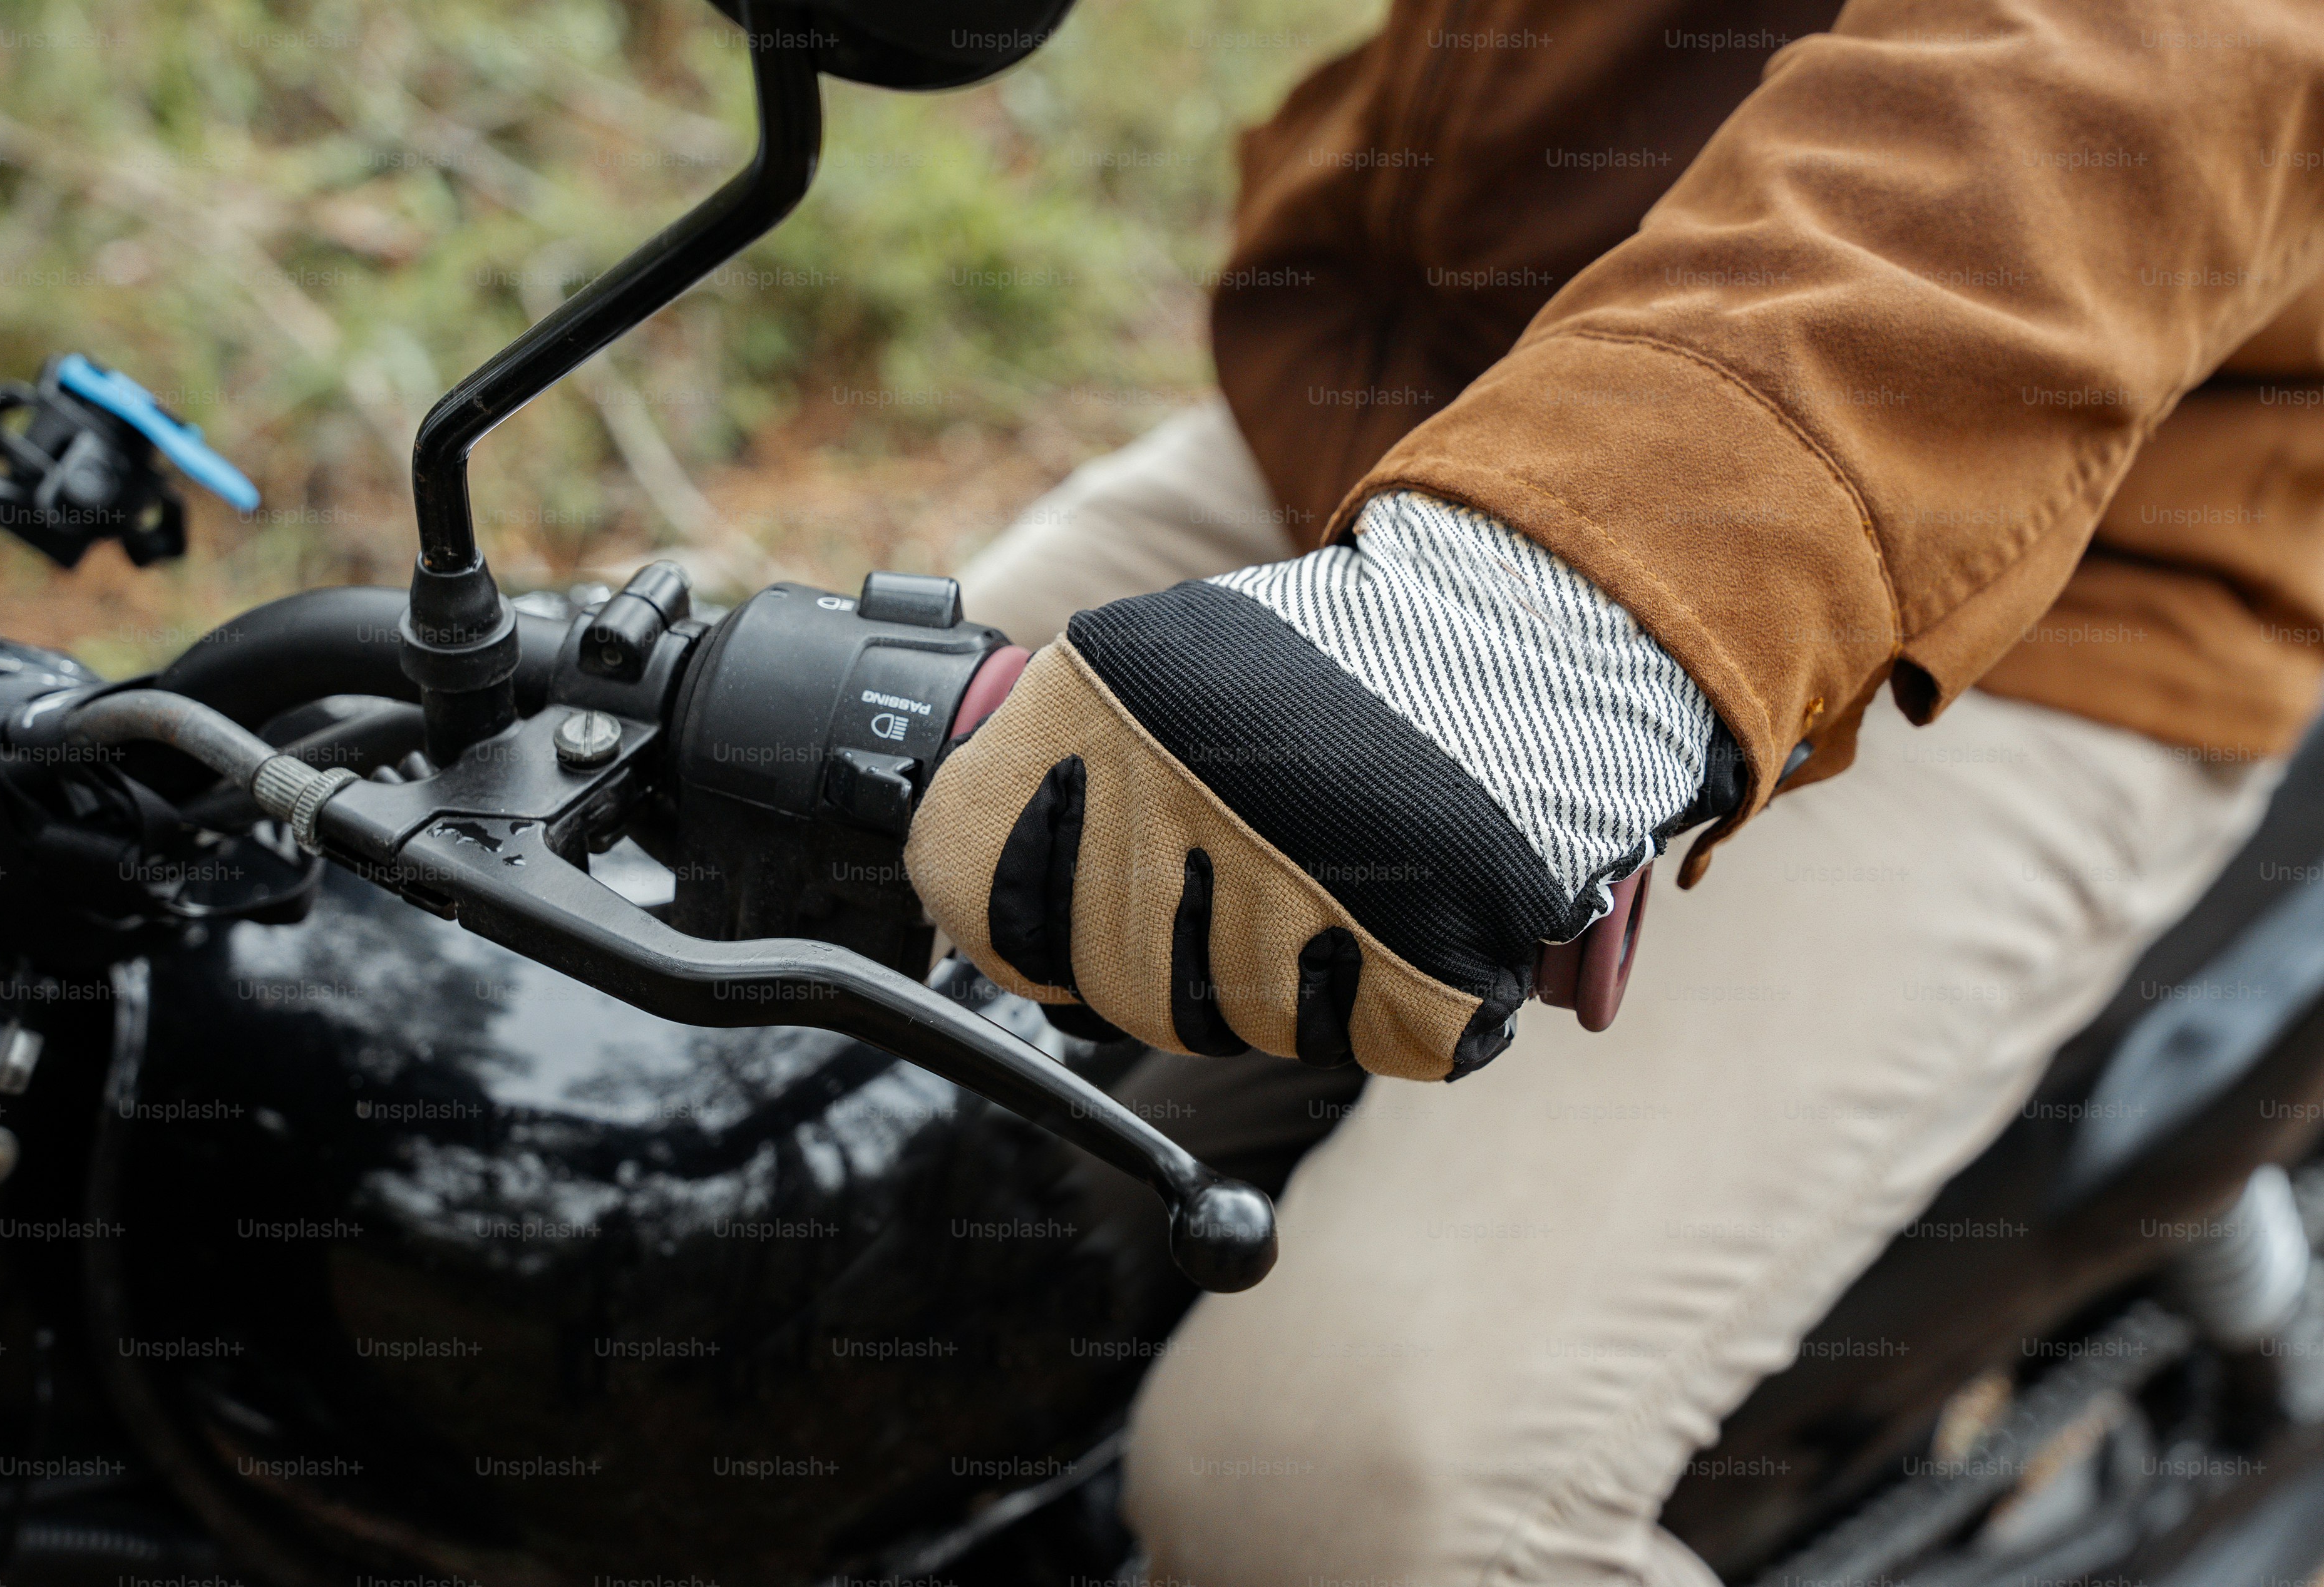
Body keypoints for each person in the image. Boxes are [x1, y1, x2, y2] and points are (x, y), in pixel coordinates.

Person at [902, 0, 2324, 1582]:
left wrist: (1562, 606)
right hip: (1432, 375)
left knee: (1349, 1496)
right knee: (754, 1063)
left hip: (2021, 558)